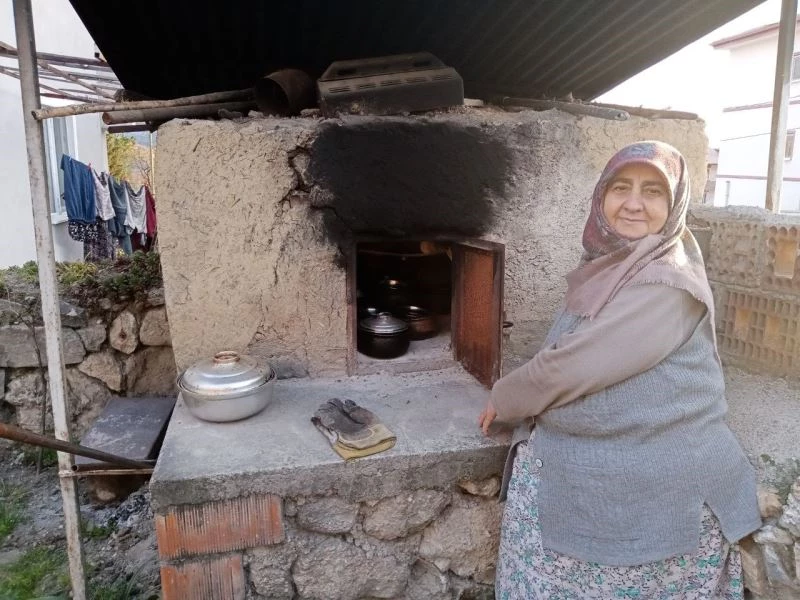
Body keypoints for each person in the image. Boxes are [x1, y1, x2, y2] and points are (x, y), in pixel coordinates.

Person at [478, 141, 761, 599]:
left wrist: (504, 397)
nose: (633, 203)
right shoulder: (614, 266)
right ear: (601, 197)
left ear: (674, 205)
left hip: (661, 486)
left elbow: (573, 364)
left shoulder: (667, 283)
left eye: (652, 191)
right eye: (620, 187)